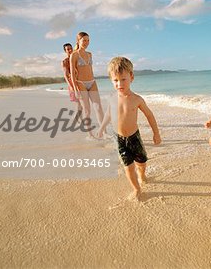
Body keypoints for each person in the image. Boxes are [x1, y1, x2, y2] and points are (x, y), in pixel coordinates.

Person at [97, 56, 161, 200]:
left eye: (123, 79)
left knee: (142, 162)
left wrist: (156, 133)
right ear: (111, 80)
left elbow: (150, 116)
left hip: (134, 137)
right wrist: (101, 128)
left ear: (131, 77)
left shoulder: (137, 99)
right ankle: (136, 188)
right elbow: (108, 114)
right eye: (115, 80)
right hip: (118, 138)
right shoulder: (112, 98)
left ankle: (142, 175)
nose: (119, 83)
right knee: (128, 166)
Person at [69, 32, 104, 136]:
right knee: (87, 110)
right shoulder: (74, 55)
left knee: (98, 107)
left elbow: (91, 69)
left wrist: (92, 78)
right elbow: (72, 75)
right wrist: (75, 90)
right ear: (78, 41)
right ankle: (90, 134)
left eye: (88, 40)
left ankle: (103, 132)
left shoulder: (90, 54)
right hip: (81, 83)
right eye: (84, 40)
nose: (86, 42)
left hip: (92, 82)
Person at [61, 43, 82, 115]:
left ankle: (79, 119)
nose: (70, 50)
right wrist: (70, 86)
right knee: (78, 103)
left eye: (70, 48)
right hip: (72, 83)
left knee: (82, 102)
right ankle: (78, 119)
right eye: (68, 49)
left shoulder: (76, 58)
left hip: (80, 81)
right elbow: (66, 75)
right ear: (65, 51)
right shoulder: (65, 61)